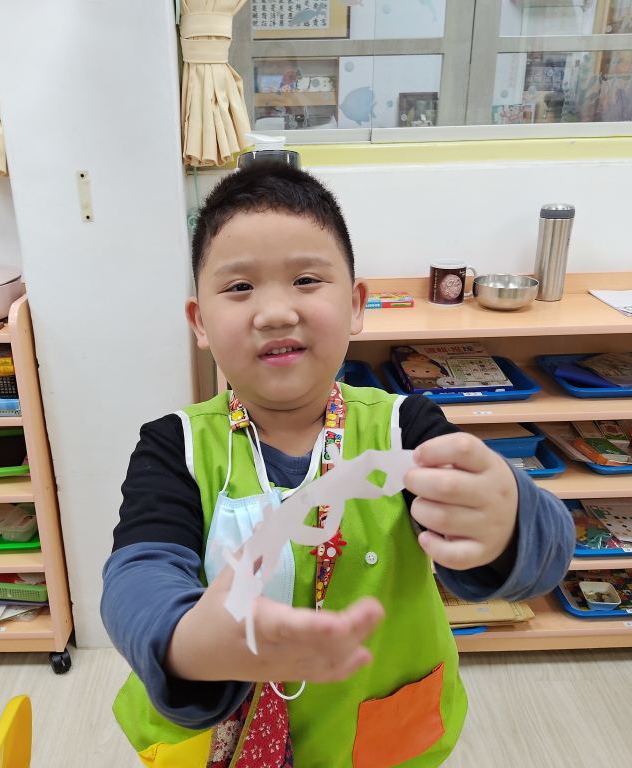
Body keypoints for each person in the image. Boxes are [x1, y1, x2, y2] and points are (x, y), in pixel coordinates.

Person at [101, 163, 574, 767]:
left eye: (305, 279)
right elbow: (137, 573)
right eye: (239, 287)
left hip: (375, 740)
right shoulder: (176, 446)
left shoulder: (408, 429)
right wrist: (184, 642)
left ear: (355, 306)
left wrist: (509, 525)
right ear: (199, 322)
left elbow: (543, 556)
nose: (275, 312)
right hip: (218, 743)